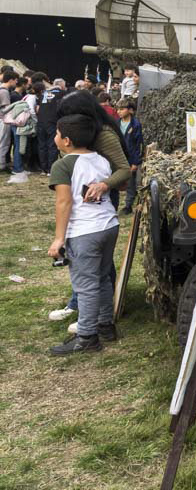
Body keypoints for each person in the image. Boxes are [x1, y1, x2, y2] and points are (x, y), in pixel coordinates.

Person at [48, 90, 131, 325]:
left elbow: (124, 169)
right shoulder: (80, 135)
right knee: (85, 264)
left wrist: (104, 185)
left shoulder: (103, 134)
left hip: (99, 203)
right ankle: (85, 308)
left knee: (95, 263)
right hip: (84, 203)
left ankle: (95, 320)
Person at [46, 114, 121, 354]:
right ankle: (105, 324)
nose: (55, 137)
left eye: (57, 134)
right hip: (108, 225)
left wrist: (59, 239)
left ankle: (87, 336)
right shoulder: (100, 159)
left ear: (66, 140)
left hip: (84, 231)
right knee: (102, 278)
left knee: (86, 284)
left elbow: (64, 203)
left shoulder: (63, 164)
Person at [116, 99, 144, 214]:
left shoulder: (135, 125)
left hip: (130, 158)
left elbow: (138, 145)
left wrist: (135, 162)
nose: (119, 112)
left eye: (122, 109)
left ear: (130, 110)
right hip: (117, 157)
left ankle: (128, 205)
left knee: (130, 183)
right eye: (118, 109)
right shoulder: (116, 123)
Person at [37, 77, 66, 174]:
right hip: (53, 122)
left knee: (42, 145)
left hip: (41, 122)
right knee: (52, 145)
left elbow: (38, 108)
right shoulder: (62, 94)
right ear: (62, 86)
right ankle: (50, 169)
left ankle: (43, 169)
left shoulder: (44, 94)